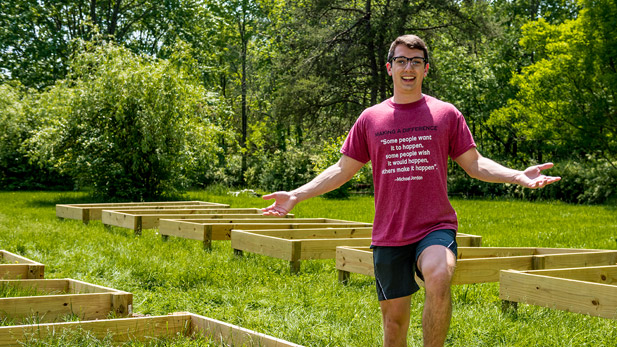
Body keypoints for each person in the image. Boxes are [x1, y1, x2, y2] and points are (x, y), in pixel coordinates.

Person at [262, 34, 561, 347]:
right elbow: (341, 170)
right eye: (402, 61)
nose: (409, 68)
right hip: (389, 233)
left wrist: (518, 176)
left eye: (416, 62)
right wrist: (297, 194)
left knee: (439, 274)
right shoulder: (370, 118)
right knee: (394, 326)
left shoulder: (446, 114)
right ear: (390, 68)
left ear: (426, 69)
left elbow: (474, 164)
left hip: (435, 226)